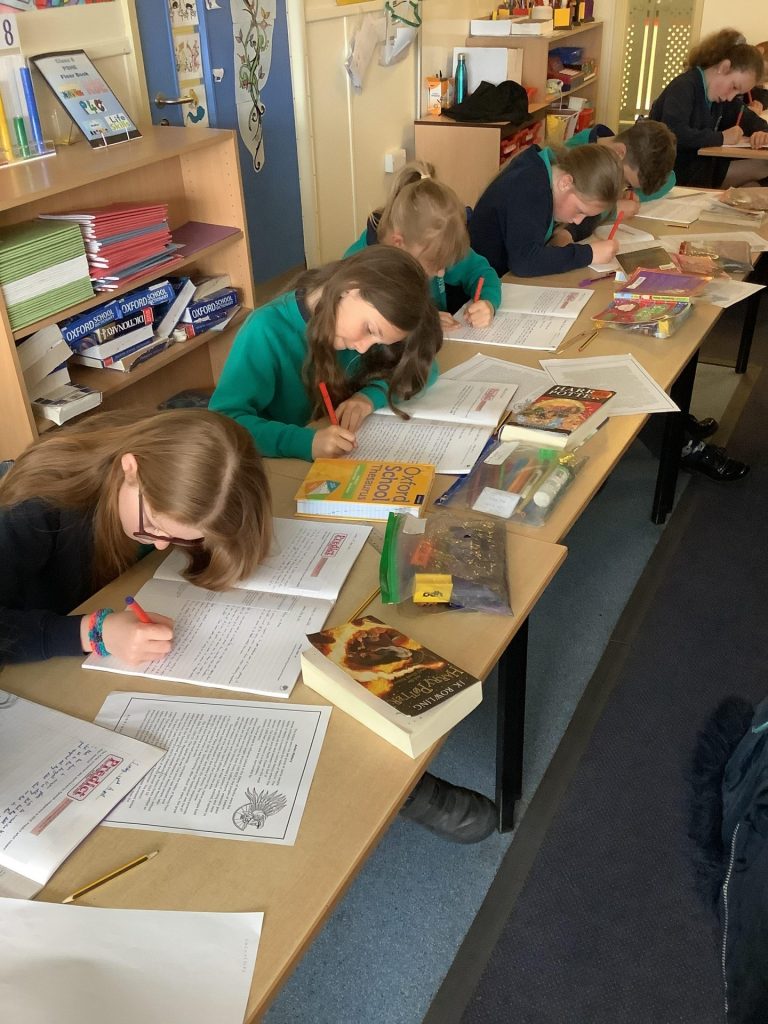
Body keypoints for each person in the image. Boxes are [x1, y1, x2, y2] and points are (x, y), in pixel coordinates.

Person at [0, 409, 273, 666]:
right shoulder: (35, 505)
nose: (161, 544)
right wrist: (96, 633)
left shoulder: (158, 455)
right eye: (152, 525)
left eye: (178, 537)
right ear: (130, 468)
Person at [210, 247, 443, 461]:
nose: (364, 348)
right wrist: (305, 442)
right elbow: (223, 423)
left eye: (379, 342)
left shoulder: (367, 323)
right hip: (277, 467)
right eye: (370, 330)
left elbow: (424, 366)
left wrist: (369, 398)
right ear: (351, 286)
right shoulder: (266, 330)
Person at [343, 161, 501, 330]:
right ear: (399, 243)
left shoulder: (434, 244)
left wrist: (488, 303)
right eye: (434, 264)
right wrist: (421, 324)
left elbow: (481, 273)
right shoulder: (358, 270)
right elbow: (362, 329)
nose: (442, 272)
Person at [468, 142, 625, 278]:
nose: (577, 221)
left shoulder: (547, 170)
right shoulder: (531, 187)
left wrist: (568, 233)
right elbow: (524, 261)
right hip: (477, 290)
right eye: (579, 210)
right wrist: (589, 254)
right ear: (565, 183)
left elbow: (590, 217)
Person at [649, 29, 768, 188]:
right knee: (762, 169)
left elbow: (751, 120)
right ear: (724, 67)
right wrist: (721, 138)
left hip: (700, 167)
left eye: (738, 93)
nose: (731, 97)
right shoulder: (684, 86)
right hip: (673, 173)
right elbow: (674, 133)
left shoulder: (721, 98)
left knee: (755, 183)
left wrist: (762, 133)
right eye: (734, 87)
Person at [564, 118, 677, 219]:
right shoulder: (569, 158)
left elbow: (670, 179)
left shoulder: (621, 158)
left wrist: (629, 192)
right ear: (619, 152)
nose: (621, 187)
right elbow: (564, 210)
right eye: (626, 181)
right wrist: (611, 210)